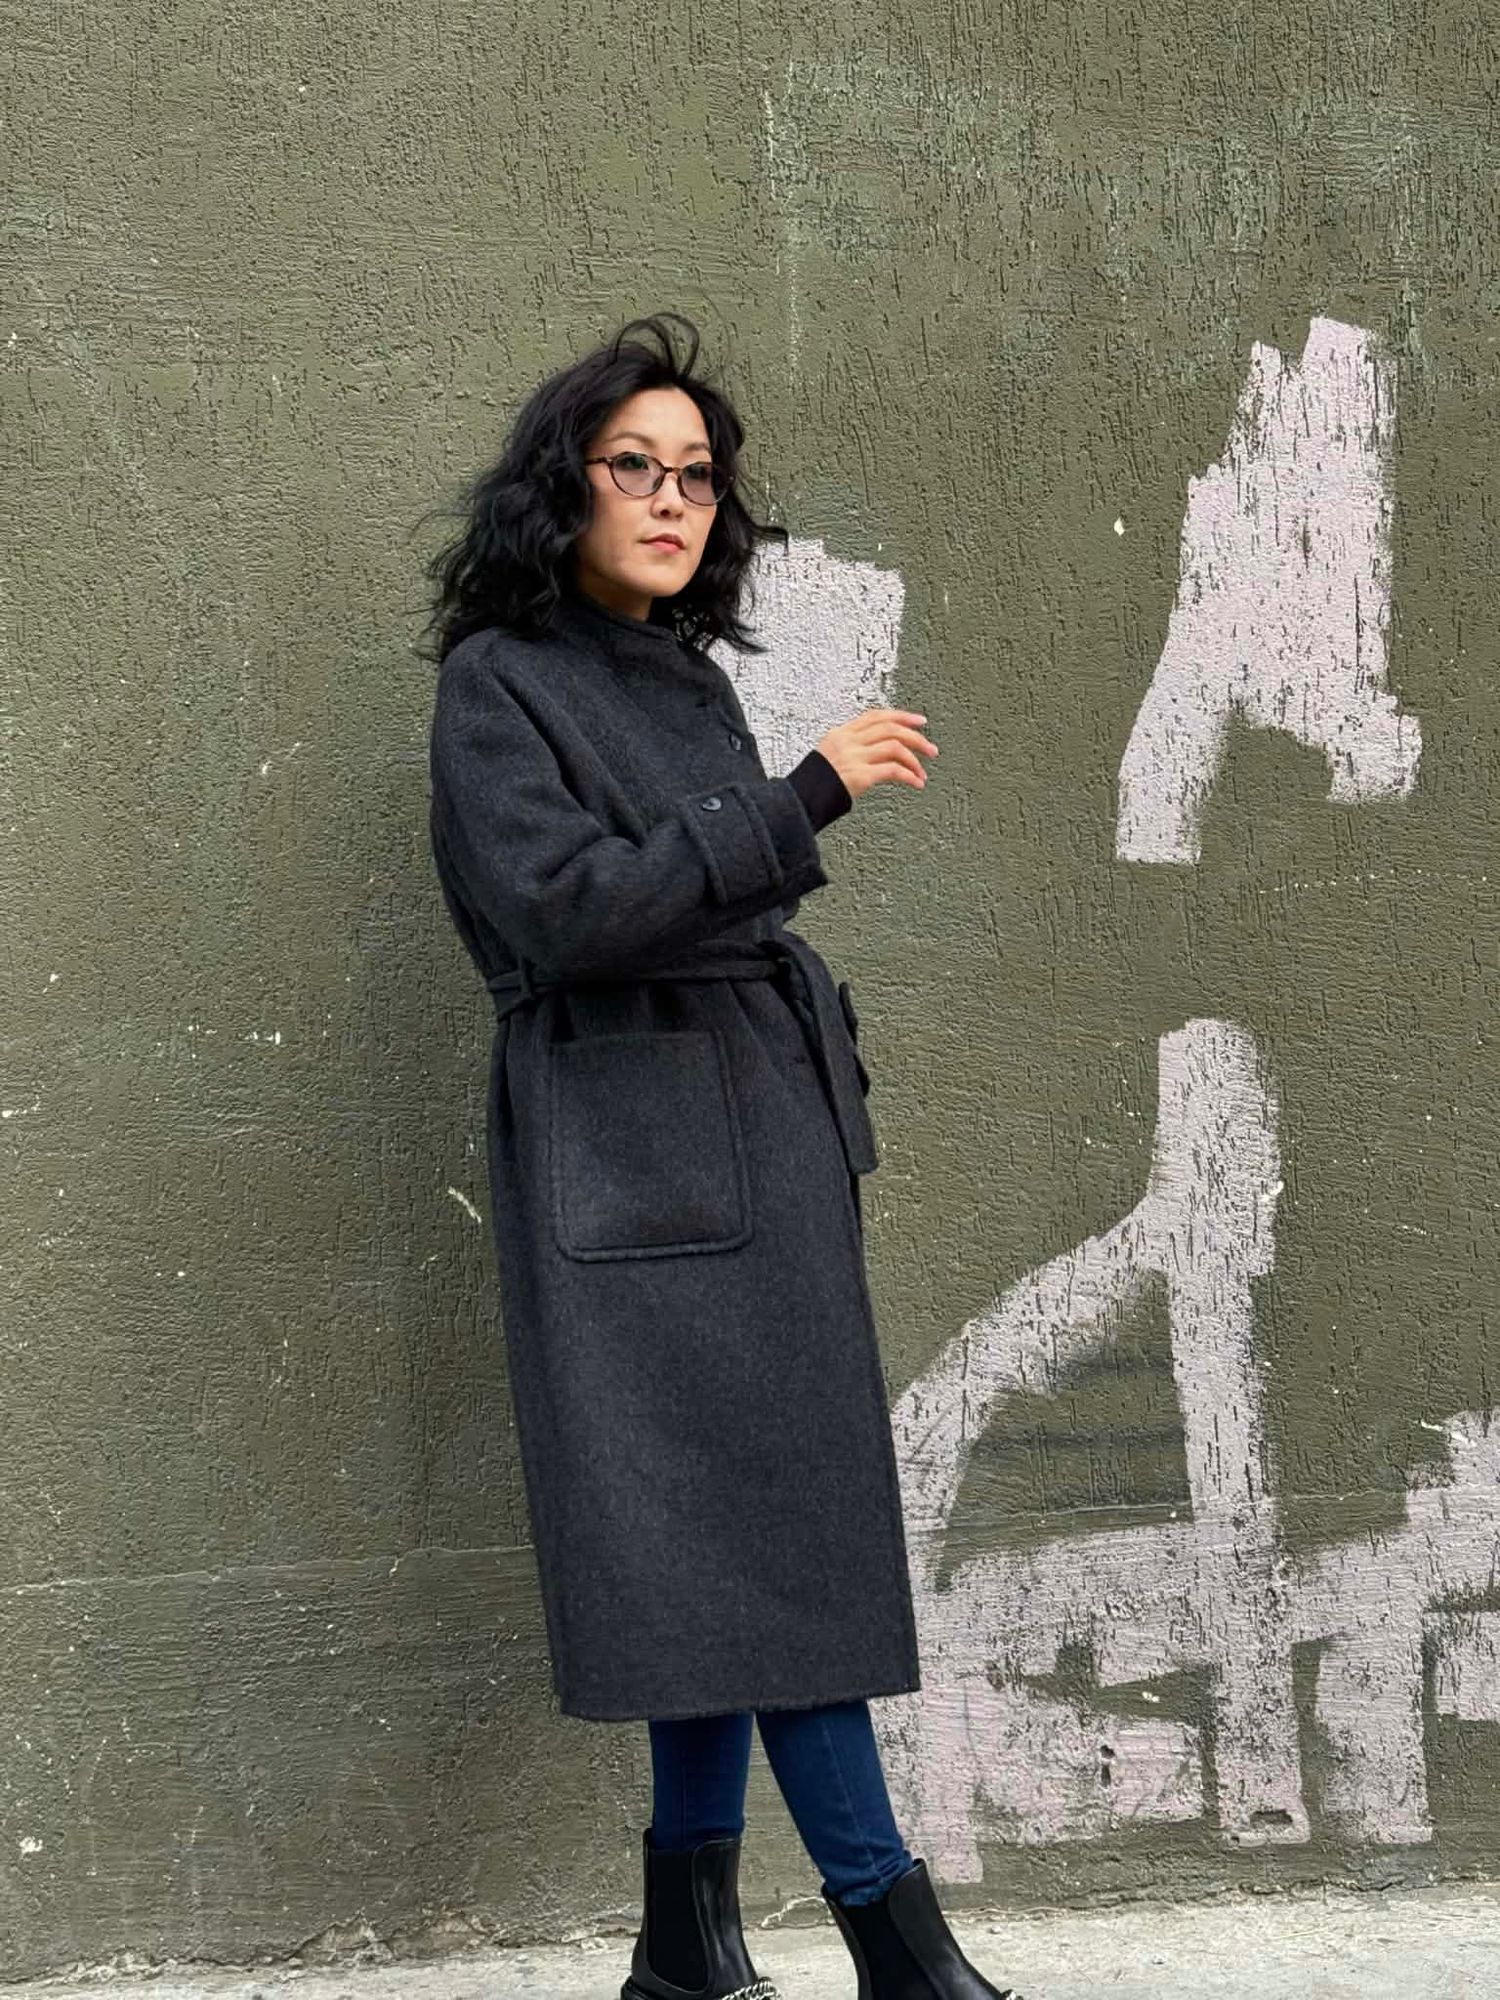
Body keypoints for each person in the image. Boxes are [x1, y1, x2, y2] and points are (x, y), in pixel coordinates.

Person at [419, 312, 1023, 2000]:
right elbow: (565, 912)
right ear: (564, 487)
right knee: (776, 1557)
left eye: (697, 476)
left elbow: (689, 896)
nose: (674, 501)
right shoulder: (498, 686)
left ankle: (685, 1945)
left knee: (721, 1559)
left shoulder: (674, 672)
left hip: (748, 1151)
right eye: (637, 468)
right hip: (639, 1170)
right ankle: (896, 1943)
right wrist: (804, 795)